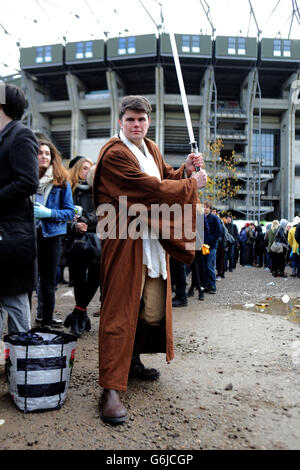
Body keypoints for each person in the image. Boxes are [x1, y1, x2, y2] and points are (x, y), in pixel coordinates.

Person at [93, 95, 207, 424]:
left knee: (149, 307)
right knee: (119, 310)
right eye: (131, 119)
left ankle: (132, 362)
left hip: (151, 241)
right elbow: (146, 189)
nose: (137, 125)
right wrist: (190, 184)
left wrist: (183, 170)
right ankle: (110, 388)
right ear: (120, 121)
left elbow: (164, 177)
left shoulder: (151, 148)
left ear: (148, 122)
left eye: (142, 120)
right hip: (125, 241)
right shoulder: (115, 154)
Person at [0, 84, 39, 338]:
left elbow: (28, 181)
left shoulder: (20, 135)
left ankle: (24, 364)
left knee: (14, 300)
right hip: (5, 232)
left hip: (12, 236)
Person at [33, 139, 75, 327]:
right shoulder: (26, 178)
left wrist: (49, 213)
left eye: (47, 153)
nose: (44, 156)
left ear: (52, 158)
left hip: (51, 236)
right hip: (28, 235)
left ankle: (46, 322)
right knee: (28, 282)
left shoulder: (61, 180)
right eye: (40, 153)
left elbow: (69, 211)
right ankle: (26, 321)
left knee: (49, 282)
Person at [64, 158, 101, 336]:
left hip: (96, 238)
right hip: (76, 239)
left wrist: (86, 220)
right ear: (77, 170)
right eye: (84, 168)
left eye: (90, 169)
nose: (87, 172)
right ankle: (81, 316)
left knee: (96, 276)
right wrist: (74, 225)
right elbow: (64, 213)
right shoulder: (69, 189)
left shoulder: (98, 190)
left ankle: (78, 312)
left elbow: (102, 211)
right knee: (78, 279)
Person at [201, 200, 222, 294]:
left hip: (211, 246)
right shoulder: (201, 218)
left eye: (206, 207)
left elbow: (219, 232)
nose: (204, 209)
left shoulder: (214, 218)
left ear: (209, 208)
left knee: (210, 265)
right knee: (204, 266)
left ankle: (213, 285)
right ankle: (207, 285)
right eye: (203, 207)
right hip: (203, 246)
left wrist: (210, 240)